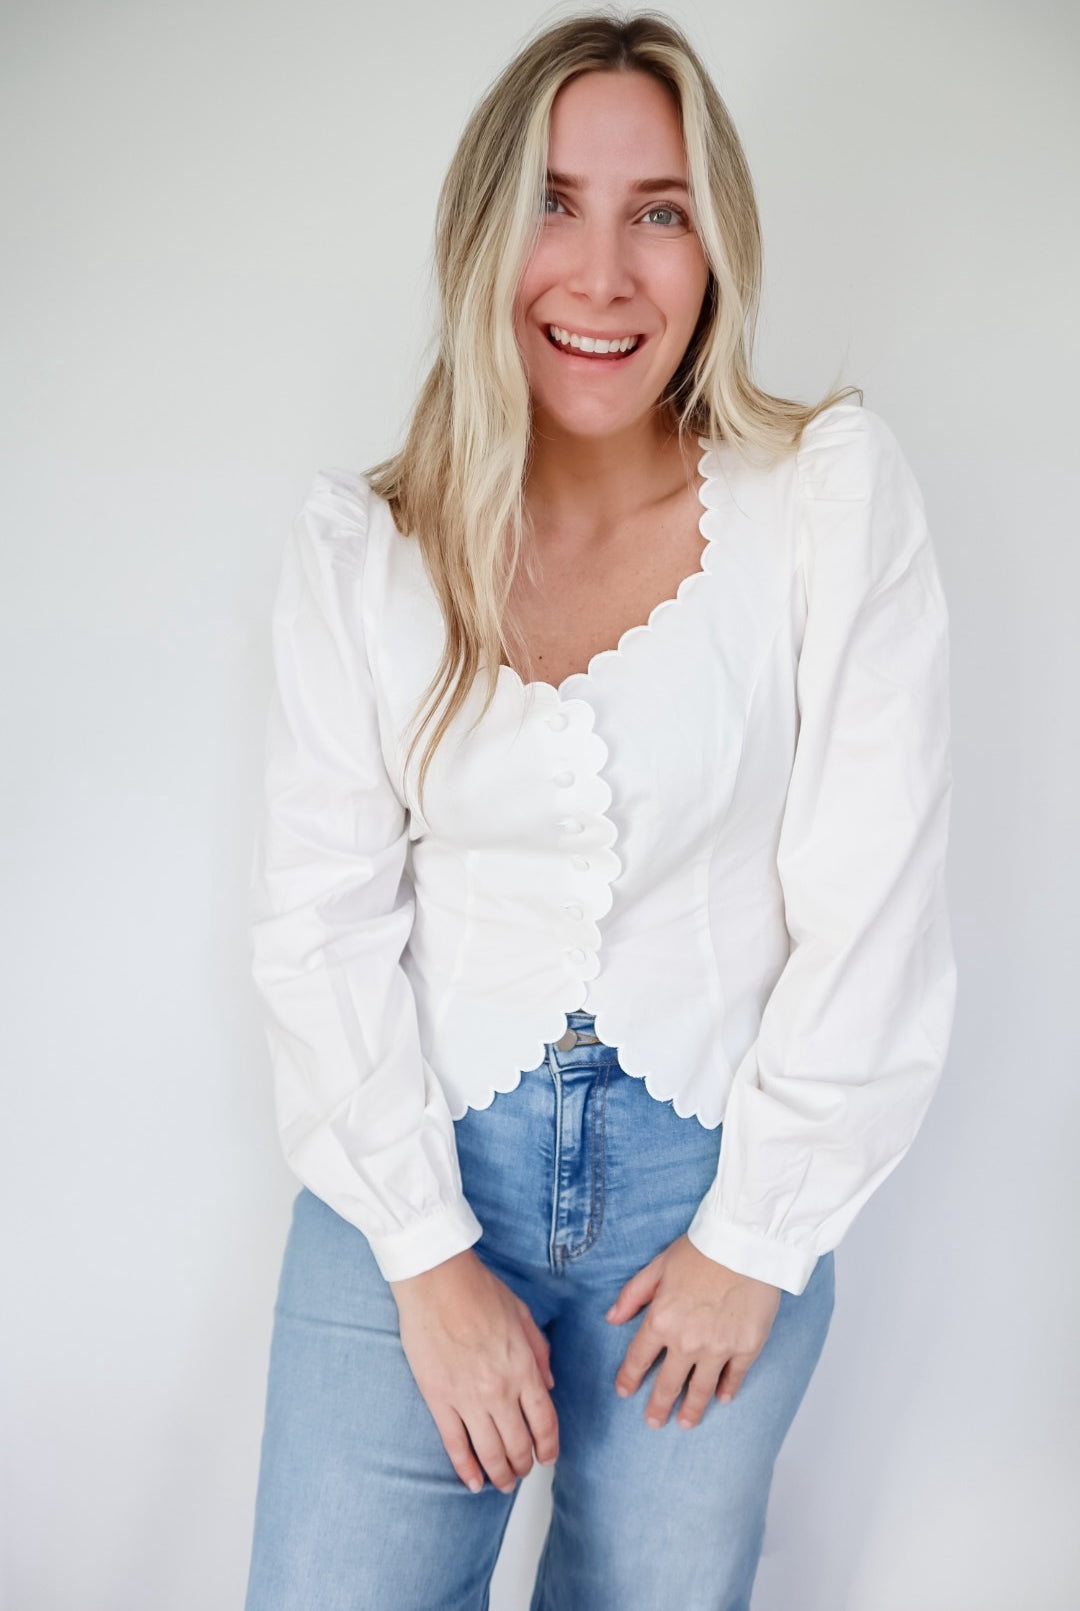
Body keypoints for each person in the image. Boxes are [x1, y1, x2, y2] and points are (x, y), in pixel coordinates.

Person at [243, 12, 956, 1610]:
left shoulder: (823, 501)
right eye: (555, 205)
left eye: (661, 212)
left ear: (717, 251)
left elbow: (879, 903)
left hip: (713, 1197)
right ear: (483, 235)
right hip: (411, 1183)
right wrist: (428, 1259)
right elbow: (317, 925)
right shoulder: (365, 553)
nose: (605, 274)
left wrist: (755, 1240)